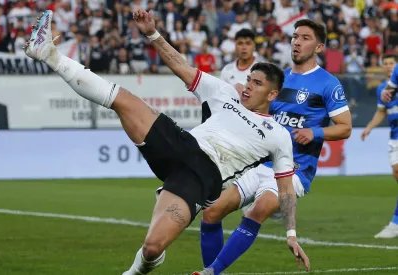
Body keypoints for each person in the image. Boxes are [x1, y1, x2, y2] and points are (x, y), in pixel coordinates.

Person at [24, 9, 307, 275]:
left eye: (257, 84)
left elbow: (285, 190)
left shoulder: (277, 134)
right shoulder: (224, 93)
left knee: (152, 248)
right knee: (124, 100)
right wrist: (152, 34)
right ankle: (49, 54)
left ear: (272, 94)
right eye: (249, 80)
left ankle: (137, 269)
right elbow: (180, 65)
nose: (248, 86)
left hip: (201, 176)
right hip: (181, 144)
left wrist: (291, 234)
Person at [195, 19, 352, 275]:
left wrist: (315, 131)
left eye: (305, 38)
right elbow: (257, 114)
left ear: (319, 46)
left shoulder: (328, 84)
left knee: (259, 209)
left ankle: (211, 272)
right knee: (211, 212)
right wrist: (241, 96)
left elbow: (345, 126)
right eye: (295, 36)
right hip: (260, 163)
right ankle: (212, 271)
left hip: (294, 171)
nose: (297, 42)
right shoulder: (279, 79)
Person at [361, 54, 398, 239]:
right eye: (386, 64)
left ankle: (395, 224)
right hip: (395, 137)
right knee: (396, 173)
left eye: (392, 63)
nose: (389, 66)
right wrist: (368, 127)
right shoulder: (382, 89)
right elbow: (381, 112)